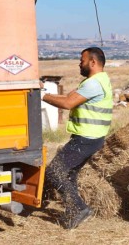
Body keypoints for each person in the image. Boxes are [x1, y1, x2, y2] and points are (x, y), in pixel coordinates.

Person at [42, 47, 113, 229]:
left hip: (85, 138)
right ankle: (74, 211)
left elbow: (67, 103)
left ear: (93, 62)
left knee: (54, 171)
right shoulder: (98, 80)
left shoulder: (93, 84)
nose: (79, 64)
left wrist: (42, 96)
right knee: (70, 174)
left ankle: (79, 208)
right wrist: (44, 92)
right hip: (92, 137)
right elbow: (68, 96)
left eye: (82, 60)